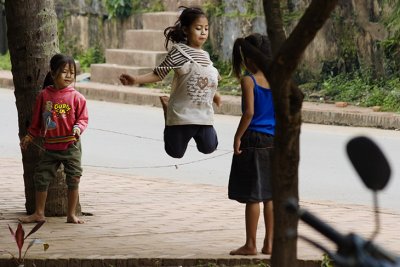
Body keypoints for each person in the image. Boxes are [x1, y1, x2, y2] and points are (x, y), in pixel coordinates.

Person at [119, 6, 221, 158]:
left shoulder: (206, 56)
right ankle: (168, 114)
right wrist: (136, 80)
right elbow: (158, 74)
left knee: (209, 147)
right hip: (182, 113)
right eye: (198, 28)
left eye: (206, 28)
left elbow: (207, 81)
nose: (203, 32)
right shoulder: (179, 51)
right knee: (175, 152)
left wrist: (216, 95)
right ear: (186, 30)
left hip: (203, 115)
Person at [19, 53, 88, 224]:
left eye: (72, 72)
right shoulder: (44, 95)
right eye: (65, 71)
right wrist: (30, 135)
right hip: (50, 147)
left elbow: (83, 119)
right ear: (52, 72)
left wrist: (78, 128)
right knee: (41, 177)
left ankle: (71, 215)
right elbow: (36, 120)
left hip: (71, 147)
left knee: (73, 178)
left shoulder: (77, 97)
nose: (69, 76)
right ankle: (39, 213)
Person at [228, 33, 275, 255]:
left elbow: (249, 113)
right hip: (274, 140)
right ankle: (270, 244)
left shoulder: (249, 80)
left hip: (254, 139)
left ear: (251, 58)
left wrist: (238, 136)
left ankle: (251, 244)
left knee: (253, 195)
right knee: (269, 195)